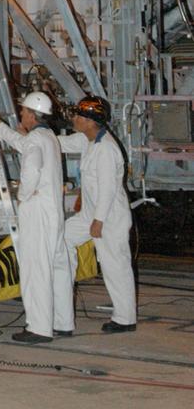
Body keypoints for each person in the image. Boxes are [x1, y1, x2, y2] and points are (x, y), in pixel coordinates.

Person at [0, 91, 73, 343]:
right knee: (58, 267)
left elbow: (32, 167)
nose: (21, 113)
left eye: (23, 110)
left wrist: (23, 195)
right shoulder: (47, 137)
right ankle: (63, 323)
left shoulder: (36, 139)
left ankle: (39, 328)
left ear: (33, 115)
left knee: (36, 270)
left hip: (37, 212)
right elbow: (22, 143)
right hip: (53, 212)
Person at [58, 94, 136, 333]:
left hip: (109, 218)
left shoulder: (106, 149)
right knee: (61, 239)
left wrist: (98, 221)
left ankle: (125, 319)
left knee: (115, 266)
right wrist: (29, 136)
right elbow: (60, 144)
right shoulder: (88, 140)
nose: (75, 119)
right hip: (89, 216)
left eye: (79, 116)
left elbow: (108, 189)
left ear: (91, 121)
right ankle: (62, 299)